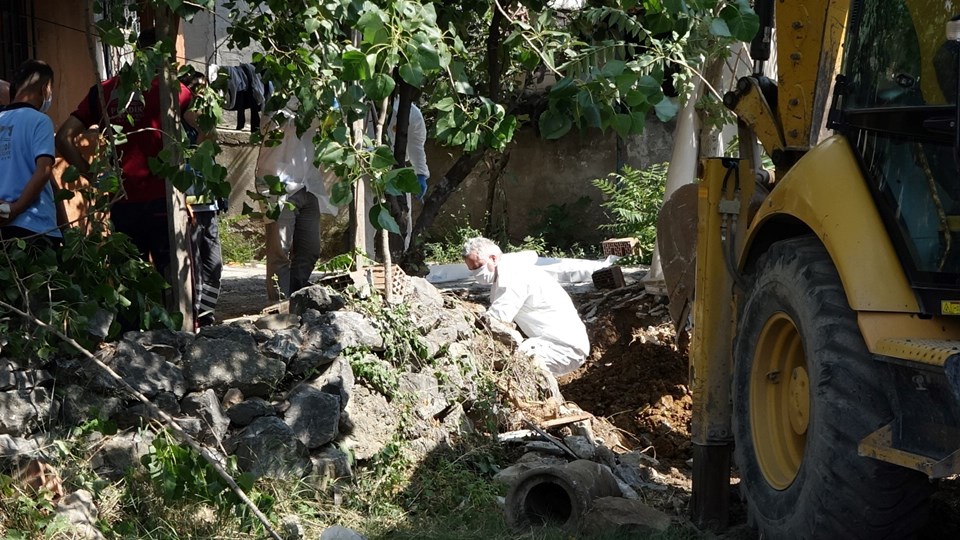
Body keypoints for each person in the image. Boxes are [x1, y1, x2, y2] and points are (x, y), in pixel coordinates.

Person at [55, 28, 193, 279]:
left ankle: (135, 320)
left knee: (131, 281)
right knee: (172, 277)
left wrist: (91, 174)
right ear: (163, 55)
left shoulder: (104, 90)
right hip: (164, 200)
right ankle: (179, 319)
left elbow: (64, 137)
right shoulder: (172, 89)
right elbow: (204, 129)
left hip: (123, 200)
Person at [462, 237, 590, 389]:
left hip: (563, 347)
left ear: (493, 258)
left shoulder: (513, 275)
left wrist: (469, 328)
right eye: (472, 269)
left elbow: (498, 318)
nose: (476, 273)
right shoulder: (506, 273)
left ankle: (548, 406)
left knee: (521, 365)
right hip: (554, 343)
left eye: (478, 266)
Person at [256, 109, 339, 301]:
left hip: (308, 184)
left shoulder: (315, 102)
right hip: (278, 185)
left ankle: (294, 298)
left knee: (310, 250)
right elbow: (282, 126)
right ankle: (279, 303)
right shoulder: (275, 104)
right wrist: (327, 113)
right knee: (280, 250)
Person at [0, 60, 63, 245]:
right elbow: (43, 171)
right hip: (36, 227)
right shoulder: (40, 121)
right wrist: (16, 208)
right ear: (45, 89)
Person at [180, 72, 223, 327]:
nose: (201, 96)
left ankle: (207, 314)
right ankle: (196, 318)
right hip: (188, 205)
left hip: (208, 203)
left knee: (214, 264)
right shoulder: (179, 126)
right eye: (196, 90)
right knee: (194, 267)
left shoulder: (205, 123)